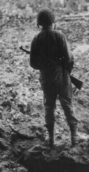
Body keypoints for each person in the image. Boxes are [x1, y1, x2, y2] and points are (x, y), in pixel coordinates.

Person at [29, 9, 79, 146]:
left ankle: (51, 139)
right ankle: (74, 137)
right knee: (68, 105)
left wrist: (45, 66)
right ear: (53, 21)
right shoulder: (60, 36)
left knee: (49, 106)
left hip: (46, 77)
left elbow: (33, 63)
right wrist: (66, 73)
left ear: (39, 23)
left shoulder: (36, 39)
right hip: (62, 76)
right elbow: (69, 59)